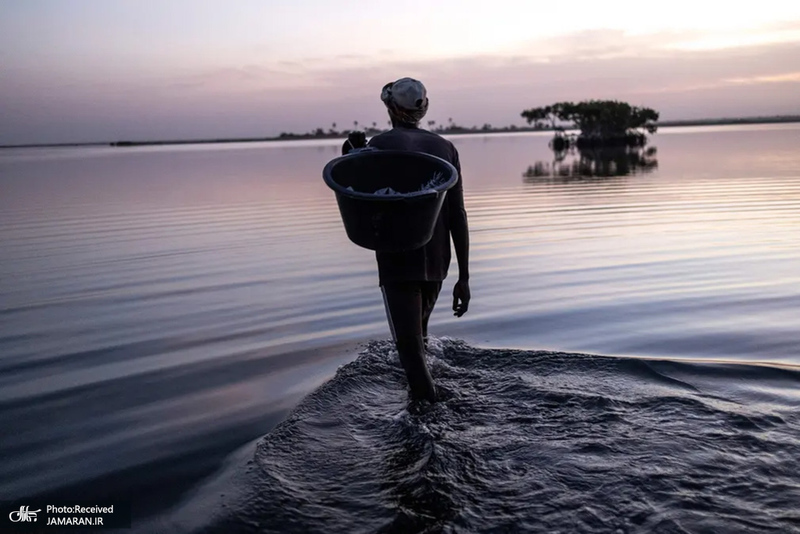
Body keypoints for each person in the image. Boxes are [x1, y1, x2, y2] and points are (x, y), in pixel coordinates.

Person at [344, 77, 470, 403]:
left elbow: (357, 193)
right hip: (438, 262)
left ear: (389, 107)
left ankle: (430, 426)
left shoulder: (378, 147)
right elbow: (458, 214)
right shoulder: (446, 148)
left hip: (399, 262)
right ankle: (429, 407)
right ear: (424, 108)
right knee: (421, 343)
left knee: (411, 355)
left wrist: (352, 153)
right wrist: (464, 278)